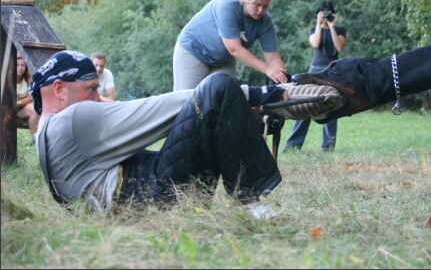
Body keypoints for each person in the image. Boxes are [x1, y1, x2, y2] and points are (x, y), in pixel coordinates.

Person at [30, 50, 289, 219]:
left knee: (211, 110)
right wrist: (253, 95)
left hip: (133, 199)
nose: (97, 98)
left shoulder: (46, 133)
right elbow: (160, 108)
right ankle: (251, 203)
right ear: (59, 89)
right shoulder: (73, 120)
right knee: (217, 86)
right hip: (145, 197)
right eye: (90, 89)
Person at [173, 0, 289, 90]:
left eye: (265, 6)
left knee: (226, 98)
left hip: (223, 58)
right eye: (257, 4)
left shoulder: (265, 21)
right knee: (187, 100)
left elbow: (273, 57)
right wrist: (267, 69)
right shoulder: (227, 6)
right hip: (193, 50)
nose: (261, 10)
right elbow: (234, 49)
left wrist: (284, 84)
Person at [283, 0, 347, 152]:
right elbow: (315, 44)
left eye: (328, 12)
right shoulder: (313, 29)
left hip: (333, 69)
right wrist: (319, 24)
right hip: (315, 69)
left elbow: (339, 47)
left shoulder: (340, 29)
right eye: (322, 12)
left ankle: (328, 147)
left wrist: (331, 27)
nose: (326, 15)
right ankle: (293, 145)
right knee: (305, 104)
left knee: (332, 105)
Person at [16, 53, 40, 144]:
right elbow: (10, 100)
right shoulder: (9, 77)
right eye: (17, 65)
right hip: (10, 110)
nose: (20, 68)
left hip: (21, 108)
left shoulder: (27, 77)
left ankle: (35, 140)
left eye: (22, 65)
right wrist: (25, 98)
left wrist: (18, 102)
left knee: (35, 109)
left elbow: (31, 97)